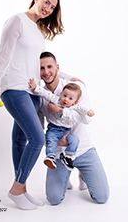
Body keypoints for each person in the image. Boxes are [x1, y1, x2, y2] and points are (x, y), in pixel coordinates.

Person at [0, 0, 64, 210]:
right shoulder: (17, 20)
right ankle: (17, 188)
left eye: (52, 8)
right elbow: (4, 52)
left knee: (21, 140)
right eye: (46, 2)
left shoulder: (38, 31)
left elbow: (37, 64)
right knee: (37, 138)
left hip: (30, 90)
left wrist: (65, 77)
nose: (48, 9)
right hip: (13, 86)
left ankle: (22, 189)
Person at [38, 51, 110, 205]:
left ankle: (82, 174)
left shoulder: (76, 88)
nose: (46, 72)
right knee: (54, 199)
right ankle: (65, 172)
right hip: (58, 154)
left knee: (102, 197)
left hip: (83, 148)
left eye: (49, 67)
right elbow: (38, 130)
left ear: (57, 67)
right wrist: (54, 143)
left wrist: (59, 111)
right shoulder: (40, 96)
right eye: (41, 68)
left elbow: (86, 119)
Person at [28, 78, 95, 171]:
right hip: (53, 129)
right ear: (61, 94)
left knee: (75, 140)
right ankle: (51, 157)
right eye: (64, 95)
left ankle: (68, 157)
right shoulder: (57, 100)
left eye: (70, 98)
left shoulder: (75, 106)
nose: (66, 99)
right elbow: (46, 94)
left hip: (67, 130)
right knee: (51, 141)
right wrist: (36, 88)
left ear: (75, 102)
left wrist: (89, 111)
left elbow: (83, 108)